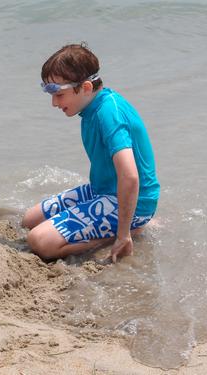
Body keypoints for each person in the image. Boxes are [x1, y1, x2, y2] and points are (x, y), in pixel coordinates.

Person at [22, 43, 159, 263]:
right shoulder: (90, 107)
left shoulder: (109, 113)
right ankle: (131, 224)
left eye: (59, 94)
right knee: (30, 220)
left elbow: (131, 177)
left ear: (86, 87)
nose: (54, 103)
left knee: (40, 242)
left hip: (130, 199)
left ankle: (133, 229)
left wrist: (123, 234)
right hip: (102, 190)